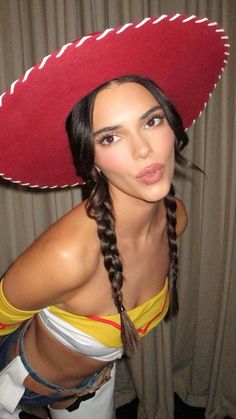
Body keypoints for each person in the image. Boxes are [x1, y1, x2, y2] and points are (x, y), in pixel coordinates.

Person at [0, 14, 229, 419]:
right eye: (111, 136)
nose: (143, 150)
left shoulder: (176, 218)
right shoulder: (68, 255)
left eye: (152, 121)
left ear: (173, 128)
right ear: (92, 160)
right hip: (16, 385)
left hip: (93, 385)